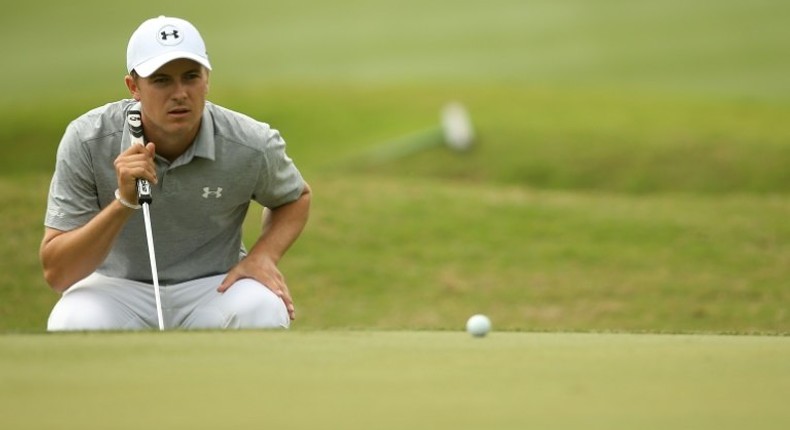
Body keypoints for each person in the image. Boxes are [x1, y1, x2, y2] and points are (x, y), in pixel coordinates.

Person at [41, 16, 311, 331]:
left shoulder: (250, 142)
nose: (180, 92)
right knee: (71, 321)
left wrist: (264, 256)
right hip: (115, 288)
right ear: (134, 87)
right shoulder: (88, 140)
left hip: (214, 285)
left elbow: (295, 197)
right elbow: (58, 273)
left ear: (207, 79)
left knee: (263, 308)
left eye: (191, 76)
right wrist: (124, 202)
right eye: (161, 80)